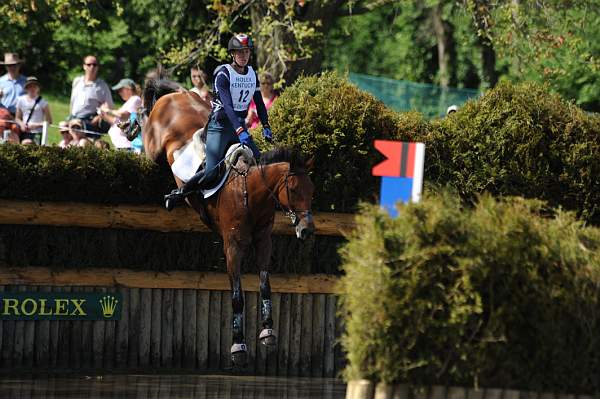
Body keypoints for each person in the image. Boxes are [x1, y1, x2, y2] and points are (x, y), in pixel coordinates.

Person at [164, 33, 273, 208]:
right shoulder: (223, 74)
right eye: (239, 52)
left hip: (239, 126)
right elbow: (228, 106)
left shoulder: (253, 74)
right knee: (211, 173)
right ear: (232, 54)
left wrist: (266, 125)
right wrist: (240, 131)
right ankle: (179, 193)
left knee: (260, 164)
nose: (244, 56)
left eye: (246, 52)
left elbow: (259, 104)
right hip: (220, 127)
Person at [66, 55, 114, 146]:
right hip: (74, 118)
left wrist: (99, 117)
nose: (92, 67)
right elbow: (72, 102)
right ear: (84, 66)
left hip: (89, 121)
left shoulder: (102, 86)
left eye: (94, 65)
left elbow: (109, 107)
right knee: (64, 130)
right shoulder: (77, 81)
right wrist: (71, 116)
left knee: (81, 143)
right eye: (89, 64)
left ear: (97, 67)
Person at [100, 78, 142, 150]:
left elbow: (121, 115)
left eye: (120, 90)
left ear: (128, 89)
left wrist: (106, 110)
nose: (119, 93)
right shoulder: (129, 102)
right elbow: (117, 121)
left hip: (127, 146)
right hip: (121, 145)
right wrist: (104, 115)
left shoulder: (135, 99)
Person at [15, 76, 52, 145]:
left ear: (38, 88)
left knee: (28, 144)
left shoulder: (43, 102)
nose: (32, 89)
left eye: (34, 86)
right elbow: (17, 118)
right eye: (30, 86)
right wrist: (22, 124)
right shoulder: (20, 100)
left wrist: (36, 125)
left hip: (37, 132)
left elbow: (49, 121)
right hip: (24, 132)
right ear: (26, 88)